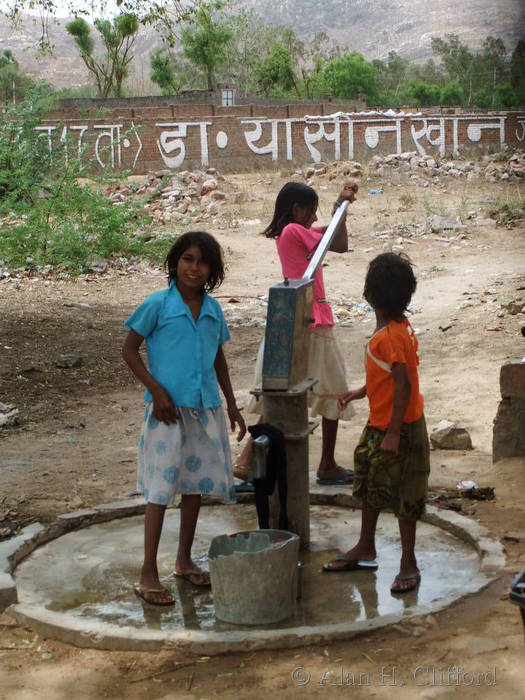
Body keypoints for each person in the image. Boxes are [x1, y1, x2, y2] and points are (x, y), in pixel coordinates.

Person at [122, 231, 246, 606]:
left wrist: (233, 404)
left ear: (213, 270)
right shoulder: (157, 305)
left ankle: (184, 559)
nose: (194, 268)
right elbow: (129, 350)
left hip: (204, 410)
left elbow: (217, 357)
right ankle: (148, 573)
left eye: (202, 261)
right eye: (187, 259)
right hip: (167, 414)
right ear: (175, 263)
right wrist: (157, 391)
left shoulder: (213, 311)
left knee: (193, 488)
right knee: (160, 492)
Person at [235, 180, 358, 486]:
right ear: (297, 209)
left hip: (303, 317)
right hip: (309, 318)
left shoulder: (300, 233)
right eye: (311, 212)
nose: (314, 219)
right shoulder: (292, 231)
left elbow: (338, 243)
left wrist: (340, 208)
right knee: (333, 388)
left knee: (283, 394)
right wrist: (338, 208)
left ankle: (247, 460)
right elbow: (332, 238)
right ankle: (324, 464)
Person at [322, 252, 430, 595]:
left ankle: (408, 562)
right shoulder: (398, 328)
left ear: (369, 295)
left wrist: (394, 433)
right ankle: (365, 546)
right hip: (385, 423)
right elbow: (390, 378)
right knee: (371, 484)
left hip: (399, 429)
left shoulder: (389, 337)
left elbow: (404, 385)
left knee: (405, 493)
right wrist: (361, 392)